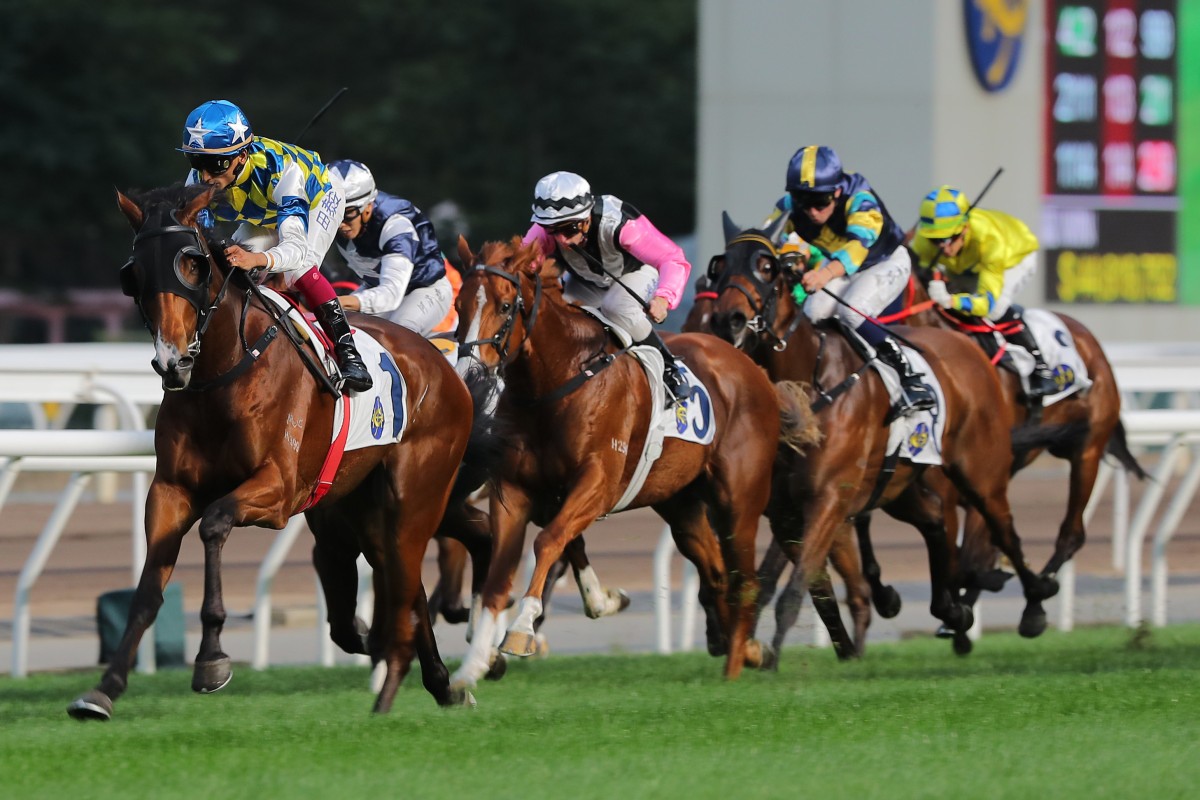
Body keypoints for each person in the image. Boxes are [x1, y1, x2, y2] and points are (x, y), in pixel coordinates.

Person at [179, 99, 372, 393]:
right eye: (197, 162)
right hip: (268, 211)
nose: (205, 177)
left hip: (317, 199)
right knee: (232, 267)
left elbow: (295, 249)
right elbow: (201, 237)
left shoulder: (285, 172)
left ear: (242, 156)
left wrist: (258, 259)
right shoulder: (198, 180)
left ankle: (349, 354)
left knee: (296, 270)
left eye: (215, 164)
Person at [767, 145, 934, 416]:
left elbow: (857, 249)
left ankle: (911, 378)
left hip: (884, 262)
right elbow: (768, 238)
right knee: (814, 312)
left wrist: (822, 274)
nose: (811, 211)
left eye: (820, 201)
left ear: (836, 192)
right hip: (843, 268)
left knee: (852, 311)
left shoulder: (861, 200)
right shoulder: (789, 207)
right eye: (802, 200)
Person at [523, 171, 691, 407]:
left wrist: (664, 298)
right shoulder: (545, 229)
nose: (561, 240)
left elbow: (674, 258)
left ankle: (669, 368)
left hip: (634, 272)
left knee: (617, 307)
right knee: (557, 314)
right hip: (587, 281)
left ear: (586, 218)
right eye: (552, 230)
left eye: (569, 230)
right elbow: (520, 269)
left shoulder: (620, 224)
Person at [911, 185, 1057, 398]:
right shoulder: (924, 241)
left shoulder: (990, 241)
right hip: (966, 265)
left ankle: (1042, 370)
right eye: (935, 240)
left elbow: (985, 302)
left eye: (949, 238)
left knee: (995, 310)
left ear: (965, 228)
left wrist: (951, 301)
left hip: (1013, 257)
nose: (943, 247)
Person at [327, 160, 455, 337]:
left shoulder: (395, 226)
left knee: (395, 337)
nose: (340, 224)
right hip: (375, 289)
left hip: (424, 290)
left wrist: (339, 301)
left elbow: (391, 294)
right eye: (333, 212)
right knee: (330, 331)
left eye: (347, 213)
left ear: (368, 207)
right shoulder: (335, 220)